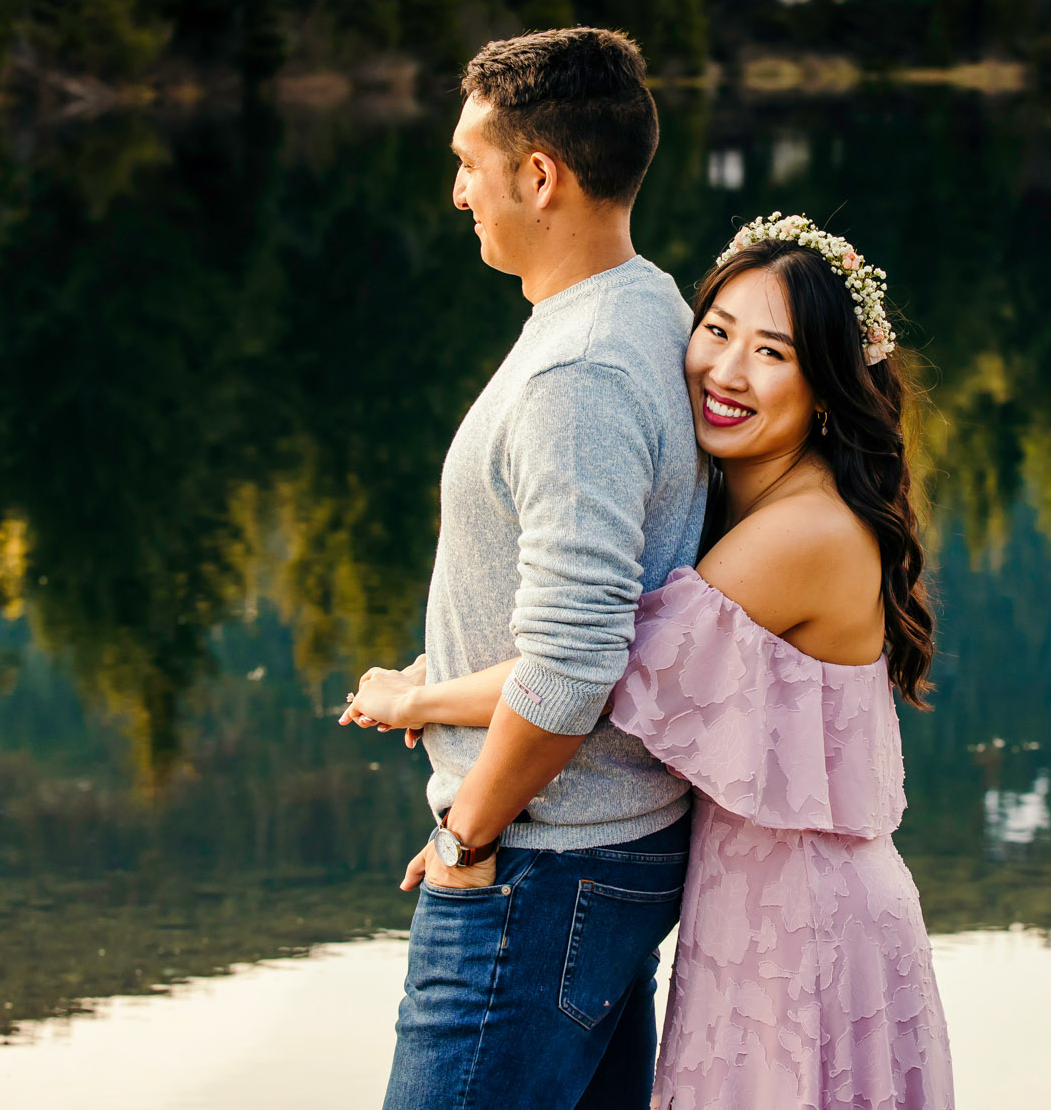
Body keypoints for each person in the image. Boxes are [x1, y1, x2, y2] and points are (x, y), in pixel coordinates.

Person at [349, 213, 956, 1109]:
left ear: (827, 387)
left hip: (802, 932)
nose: (726, 370)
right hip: (756, 910)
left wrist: (418, 699)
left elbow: (593, 672)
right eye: (716, 331)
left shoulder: (800, 533)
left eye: (773, 353)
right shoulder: (753, 510)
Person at [350, 27, 708, 1110]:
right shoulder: (645, 303)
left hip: (540, 859)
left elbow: (571, 668)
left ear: (539, 175)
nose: (458, 192)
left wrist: (464, 837)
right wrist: (433, 685)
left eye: (469, 164)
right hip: (598, 850)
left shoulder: (580, 370)